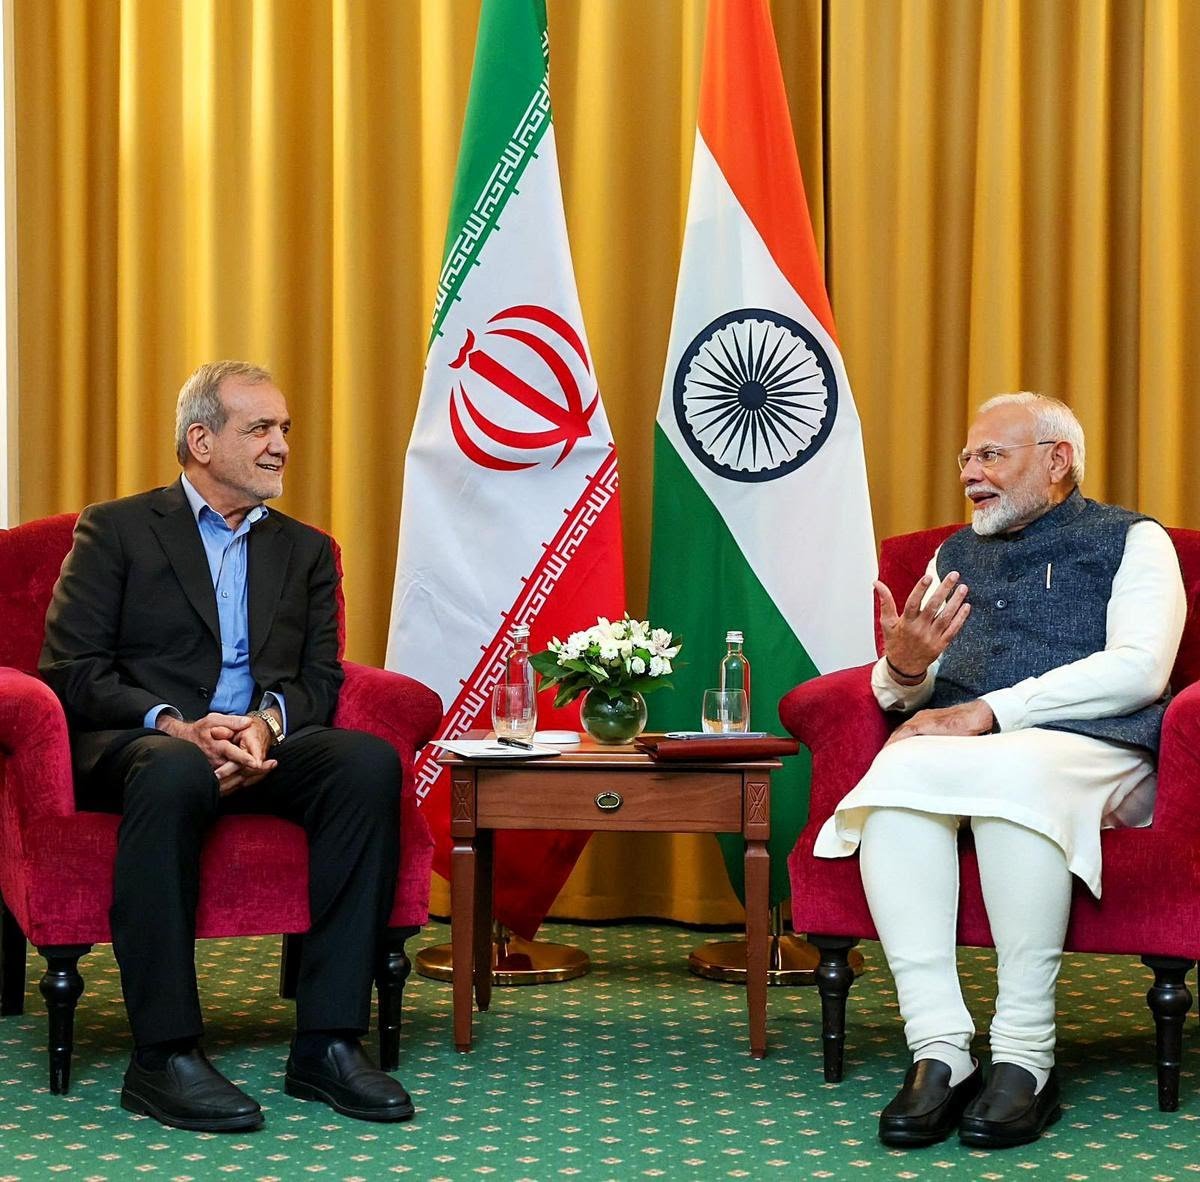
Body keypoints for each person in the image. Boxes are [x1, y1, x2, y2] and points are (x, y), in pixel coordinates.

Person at [39, 361, 414, 1132]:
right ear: (201, 441)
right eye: (261, 428)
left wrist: (266, 724)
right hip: (148, 743)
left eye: (285, 429)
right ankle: (164, 1054)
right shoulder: (116, 531)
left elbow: (320, 677)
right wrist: (175, 724)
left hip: (260, 741)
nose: (281, 446)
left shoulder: (307, 550)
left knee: (365, 764)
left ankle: (328, 1041)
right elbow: (72, 671)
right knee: (175, 769)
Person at [814, 392, 1186, 1150]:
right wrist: (903, 669)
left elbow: (1141, 670)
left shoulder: (1134, 539)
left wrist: (991, 711)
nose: (969, 473)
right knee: (894, 785)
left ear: (1057, 460)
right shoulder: (952, 554)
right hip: (971, 749)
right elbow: (907, 691)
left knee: (1014, 780)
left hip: (1095, 746)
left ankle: (1024, 1057)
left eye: (990, 455)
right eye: (965, 458)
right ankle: (940, 1050)